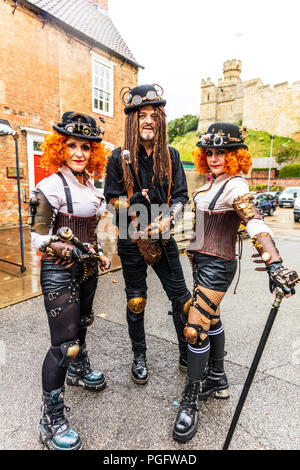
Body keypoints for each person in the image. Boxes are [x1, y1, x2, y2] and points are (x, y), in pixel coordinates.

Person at [172, 122, 298, 443]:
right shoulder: (213, 183)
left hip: (218, 267)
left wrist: (275, 264)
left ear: (237, 155)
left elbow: (254, 221)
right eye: (210, 152)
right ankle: (217, 377)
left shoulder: (236, 186)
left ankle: (191, 397)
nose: (215, 158)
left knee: (194, 326)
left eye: (223, 152)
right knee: (212, 318)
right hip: (201, 262)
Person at [30, 112, 111, 450]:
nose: (79, 153)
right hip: (59, 270)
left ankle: (77, 372)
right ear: (59, 148)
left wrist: (98, 252)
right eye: (72, 145)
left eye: (86, 147)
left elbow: (91, 227)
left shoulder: (88, 185)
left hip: (86, 269)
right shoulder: (50, 186)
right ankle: (50, 418)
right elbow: (37, 238)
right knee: (64, 345)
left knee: (83, 326)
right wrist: (67, 248)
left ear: (94, 152)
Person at [104, 84, 191, 385]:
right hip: (130, 237)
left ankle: (186, 352)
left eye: (154, 115)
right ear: (133, 120)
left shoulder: (172, 155)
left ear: (161, 120)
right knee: (136, 300)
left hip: (164, 238)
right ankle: (139, 355)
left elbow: (181, 197)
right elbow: (110, 200)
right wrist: (133, 205)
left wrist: (168, 218)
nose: (148, 120)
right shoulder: (118, 157)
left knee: (182, 299)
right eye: (142, 115)